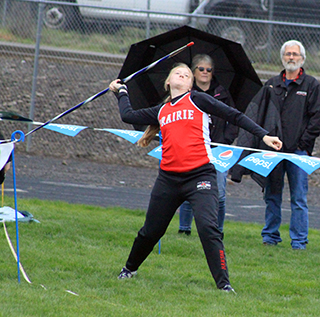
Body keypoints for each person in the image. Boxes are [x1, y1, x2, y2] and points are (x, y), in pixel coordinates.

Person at [109, 63, 282, 292]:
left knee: (208, 228)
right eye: (177, 73)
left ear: (190, 84)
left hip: (200, 176)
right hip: (168, 179)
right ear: (168, 81)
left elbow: (234, 115)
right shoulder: (160, 111)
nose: (182, 74)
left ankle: (224, 285)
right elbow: (127, 115)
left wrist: (264, 135)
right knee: (150, 231)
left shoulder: (198, 100)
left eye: (187, 74)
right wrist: (121, 91)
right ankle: (129, 269)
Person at [231, 40, 320, 250]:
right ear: (282, 58)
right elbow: (259, 114)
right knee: (272, 194)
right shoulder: (271, 84)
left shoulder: (312, 85)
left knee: (298, 197)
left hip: (298, 152)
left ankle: (299, 241)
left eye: (295, 55)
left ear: (302, 59)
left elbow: (317, 118)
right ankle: (270, 237)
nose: (291, 58)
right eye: (288, 54)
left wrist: (303, 143)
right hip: (273, 150)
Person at [178, 54, 238, 236]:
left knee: (219, 193)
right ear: (194, 72)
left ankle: (217, 231)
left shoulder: (223, 93)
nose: (205, 72)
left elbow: (233, 118)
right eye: (201, 69)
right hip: (192, 149)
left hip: (218, 149)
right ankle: (184, 229)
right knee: (189, 190)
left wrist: (225, 140)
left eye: (208, 69)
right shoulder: (186, 94)